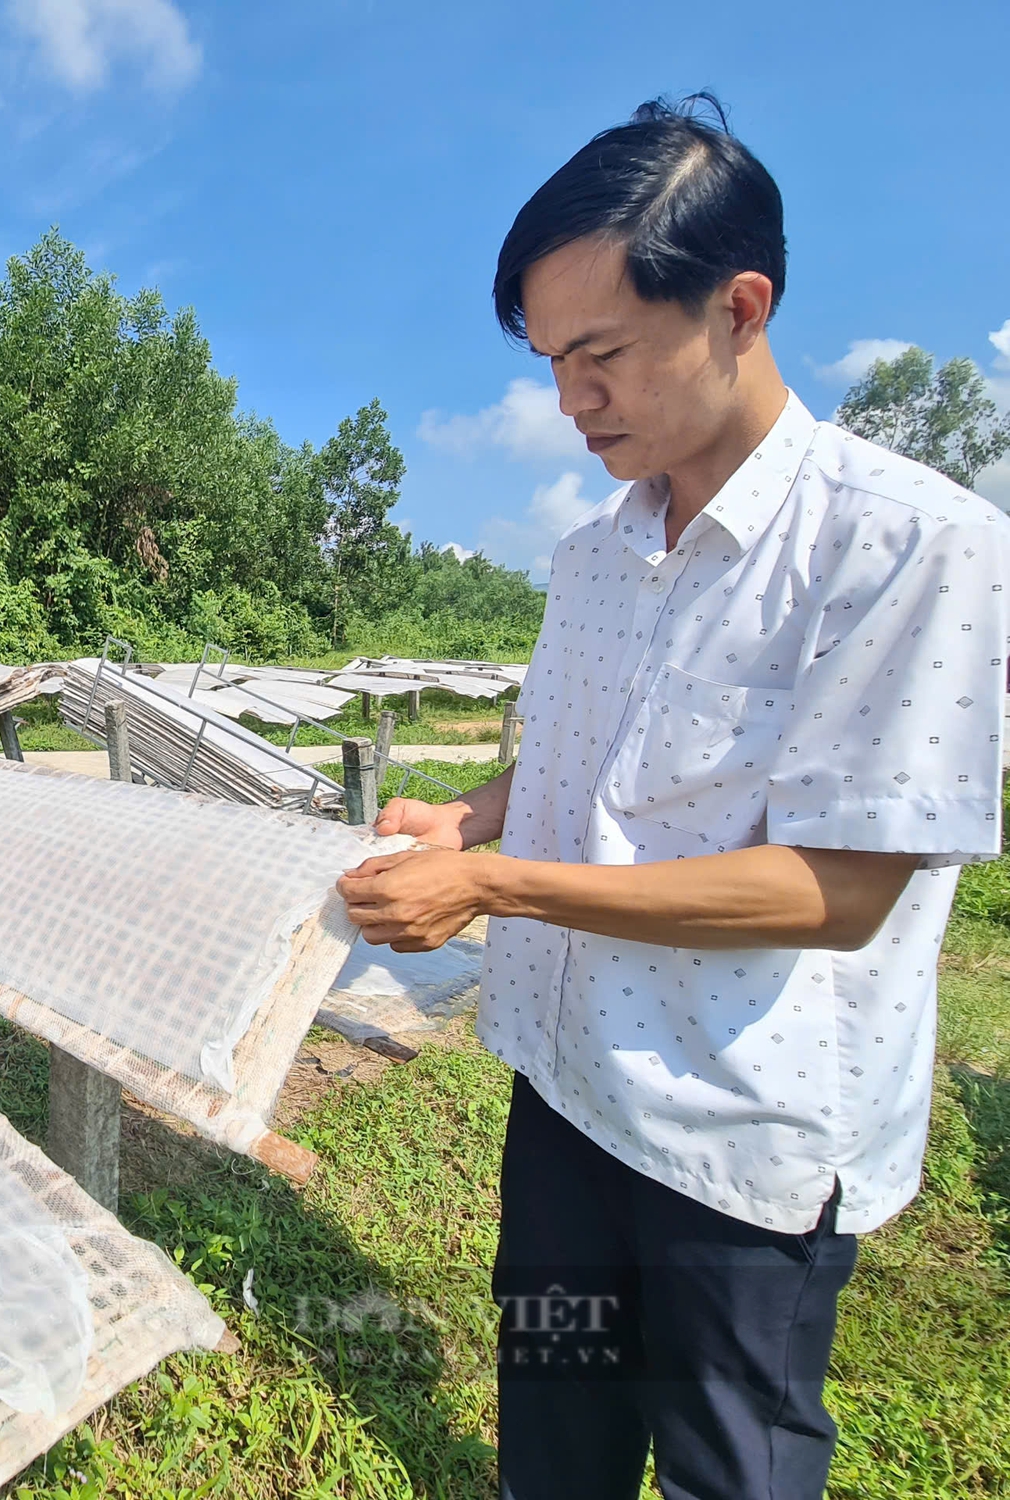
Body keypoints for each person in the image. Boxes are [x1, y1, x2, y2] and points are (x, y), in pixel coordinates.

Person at [338, 95, 1008, 1500]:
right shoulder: (596, 556)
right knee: (557, 1430)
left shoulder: (905, 548)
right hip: (569, 1084)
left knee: (732, 1469)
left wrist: (491, 884)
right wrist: (471, 820)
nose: (572, 402)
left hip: (740, 1134)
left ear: (740, 307)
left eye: (603, 356)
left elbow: (836, 890)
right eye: (549, 362)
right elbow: (581, 760)